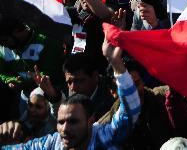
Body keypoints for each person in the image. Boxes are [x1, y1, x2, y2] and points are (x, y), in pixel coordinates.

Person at [0, 39, 141, 149]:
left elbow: (130, 110)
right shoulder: (53, 143)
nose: (65, 129)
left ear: (91, 121)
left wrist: (116, 62)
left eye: (73, 121)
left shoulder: (103, 135)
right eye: (61, 122)